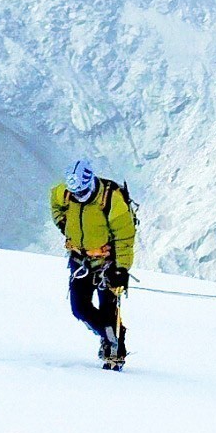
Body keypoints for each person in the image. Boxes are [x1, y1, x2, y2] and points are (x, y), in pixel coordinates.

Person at [50, 157, 137, 370]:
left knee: (108, 311)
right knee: (80, 308)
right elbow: (56, 204)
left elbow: (125, 236)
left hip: (107, 264)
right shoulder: (66, 192)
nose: (79, 197)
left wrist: (121, 268)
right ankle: (112, 337)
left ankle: (115, 350)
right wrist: (66, 227)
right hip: (80, 261)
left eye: (82, 192)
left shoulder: (110, 199)